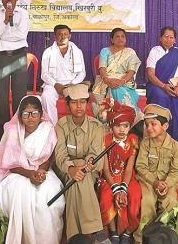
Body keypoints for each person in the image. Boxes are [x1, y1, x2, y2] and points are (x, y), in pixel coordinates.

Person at [0, 95, 65, 244]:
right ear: (20, 116)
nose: (30, 117)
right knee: (21, 192)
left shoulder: (48, 129)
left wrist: (40, 172)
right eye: (25, 113)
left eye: (34, 113)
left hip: (42, 171)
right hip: (17, 172)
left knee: (47, 195)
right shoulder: (12, 130)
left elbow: (48, 158)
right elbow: (10, 163)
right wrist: (29, 174)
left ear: (41, 114)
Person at [54, 83, 110, 243]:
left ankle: (74, 237)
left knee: (79, 179)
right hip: (65, 170)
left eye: (83, 101)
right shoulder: (61, 126)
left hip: (88, 170)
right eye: (74, 102)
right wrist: (71, 168)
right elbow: (60, 154)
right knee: (76, 177)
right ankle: (97, 231)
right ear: (67, 104)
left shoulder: (97, 127)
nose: (79, 106)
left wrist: (89, 163)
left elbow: (95, 153)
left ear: (87, 103)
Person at [0, 0, 29, 150]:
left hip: (18, 57)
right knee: (1, 99)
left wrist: (2, 33)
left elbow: (21, 35)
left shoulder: (24, 14)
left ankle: (20, 135)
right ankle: (2, 136)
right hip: (1, 58)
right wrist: (5, 21)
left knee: (20, 97)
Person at [134, 104, 178, 244]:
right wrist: (154, 182)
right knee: (147, 201)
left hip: (168, 183)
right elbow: (141, 167)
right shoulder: (145, 143)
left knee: (171, 202)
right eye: (146, 124)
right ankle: (142, 238)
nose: (149, 128)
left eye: (153, 124)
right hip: (148, 181)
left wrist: (166, 184)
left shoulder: (175, 146)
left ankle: (167, 237)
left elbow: (177, 171)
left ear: (165, 126)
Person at [97, 101, 141, 244]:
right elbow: (104, 168)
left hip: (128, 178)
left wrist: (123, 187)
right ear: (111, 125)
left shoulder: (132, 140)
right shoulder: (106, 139)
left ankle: (128, 232)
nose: (122, 130)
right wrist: (115, 188)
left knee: (134, 199)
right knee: (105, 197)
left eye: (126, 126)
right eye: (118, 126)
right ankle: (113, 232)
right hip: (109, 177)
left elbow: (129, 168)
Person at [145, 26, 178, 142]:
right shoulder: (154, 51)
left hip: (176, 83)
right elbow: (150, 74)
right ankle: (161, 135)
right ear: (160, 38)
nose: (168, 39)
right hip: (158, 84)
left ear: (175, 40)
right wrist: (163, 86)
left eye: (171, 37)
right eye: (166, 36)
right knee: (161, 97)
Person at [93, 28, 141, 121]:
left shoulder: (130, 52)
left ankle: (125, 116)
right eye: (117, 36)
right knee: (113, 88)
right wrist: (107, 80)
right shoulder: (105, 51)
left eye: (123, 36)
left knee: (118, 89)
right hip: (106, 79)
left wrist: (121, 81)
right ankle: (110, 117)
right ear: (112, 39)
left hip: (125, 80)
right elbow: (102, 68)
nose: (120, 39)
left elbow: (131, 71)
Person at [41, 24, 85, 124]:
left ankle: (74, 126)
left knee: (79, 100)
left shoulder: (77, 52)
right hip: (54, 84)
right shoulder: (48, 52)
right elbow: (44, 74)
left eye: (65, 34)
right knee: (46, 96)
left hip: (73, 84)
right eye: (60, 34)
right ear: (55, 36)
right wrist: (56, 85)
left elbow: (82, 73)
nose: (63, 37)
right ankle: (53, 126)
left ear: (70, 36)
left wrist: (72, 84)